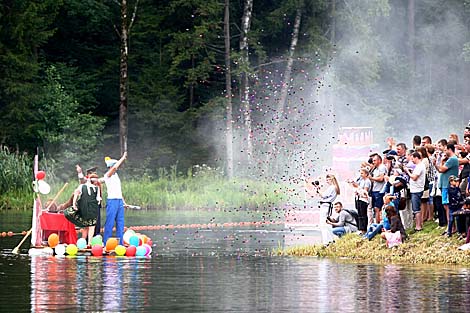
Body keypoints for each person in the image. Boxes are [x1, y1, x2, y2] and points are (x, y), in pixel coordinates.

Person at [63, 174, 101, 245]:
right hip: (92, 208)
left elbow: (76, 194)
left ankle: (84, 242)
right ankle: (88, 243)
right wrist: (74, 204)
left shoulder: (85, 187)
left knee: (85, 226)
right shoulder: (95, 188)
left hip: (85, 208)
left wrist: (74, 204)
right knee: (91, 226)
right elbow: (98, 200)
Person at [101, 151, 127, 245]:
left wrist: (124, 202)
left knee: (120, 223)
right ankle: (106, 242)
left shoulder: (116, 176)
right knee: (110, 222)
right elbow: (115, 167)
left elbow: (119, 191)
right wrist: (123, 158)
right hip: (112, 201)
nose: (116, 168)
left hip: (119, 201)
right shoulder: (107, 175)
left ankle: (120, 243)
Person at [434, 143, 459, 231]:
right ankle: (450, 226)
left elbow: (441, 169)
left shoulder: (452, 159)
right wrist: (441, 161)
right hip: (444, 185)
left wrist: (435, 164)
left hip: (447, 185)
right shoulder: (450, 160)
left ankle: (451, 227)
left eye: (445, 150)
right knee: (446, 205)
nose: (444, 152)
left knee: (448, 206)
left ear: (449, 149)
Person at [310, 173, 340, 244]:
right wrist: (318, 190)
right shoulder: (334, 187)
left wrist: (318, 189)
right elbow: (324, 195)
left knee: (323, 225)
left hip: (325, 206)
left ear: (331, 179)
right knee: (327, 224)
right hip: (327, 206)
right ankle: (331, 240)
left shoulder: (332, 187)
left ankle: (326, 242)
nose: (327, 181)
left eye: (327, 180)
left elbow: (323, 195)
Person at [404, 152, 425, 231]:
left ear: (416, 157)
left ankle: (418, 226)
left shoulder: (420, 166)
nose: (412, 160)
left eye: (412, 158)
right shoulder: (418, 166)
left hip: (417, 189)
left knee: (416, 209)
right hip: (415, 189)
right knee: (416, 208)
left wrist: (408, 172)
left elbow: (414, 177)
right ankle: (418, 224)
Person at [350, 168, 370, 232]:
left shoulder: (367, 181)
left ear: (366, 174)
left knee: (363, 215)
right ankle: (360, 229)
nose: (361, 175)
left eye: (362, 173)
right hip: (358, 198)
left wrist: (358, 187)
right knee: (360, 214)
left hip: (363, 200)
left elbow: (365, 191)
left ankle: (364, 229)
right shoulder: (361, 181)